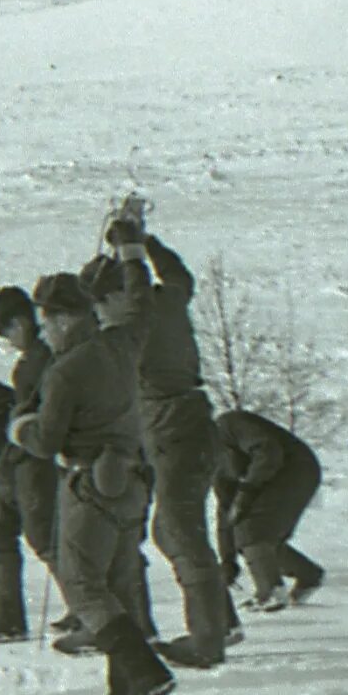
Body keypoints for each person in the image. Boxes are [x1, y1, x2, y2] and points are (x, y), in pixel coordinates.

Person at [12, 272, 174, 695]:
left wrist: (20, 427)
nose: (45, 333)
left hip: (88, 485)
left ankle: (144, 672)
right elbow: (142, 308)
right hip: (132, 482)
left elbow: (45, 443)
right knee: (120, 582)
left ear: (63, 320)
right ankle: (125, 690)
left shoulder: (64, 371)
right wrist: (131, 251)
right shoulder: (120, 344)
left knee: (82, 585)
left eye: (47, 324)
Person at [102, 212, 234, 668]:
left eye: (106, 303)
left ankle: (208, 640)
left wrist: (131, 252)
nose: (101, 315)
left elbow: (140, 288)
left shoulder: (139, 319)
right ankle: (221, 621)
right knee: (174, 529)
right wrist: (146, 242)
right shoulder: (171, 301)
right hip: (189, 425)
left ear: (123, 296)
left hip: (175, 428)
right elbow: (178, 275)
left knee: (179, 530)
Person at [0, 285, 57, 643]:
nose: (7, 340)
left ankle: (94, 613)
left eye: (6, 331)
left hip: (34, 462)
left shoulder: (44, 358)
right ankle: (6, 617)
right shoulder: (33, 359)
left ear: (21, 321)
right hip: (15, 460)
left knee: (44, 537)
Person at [212, 408, 326, 610]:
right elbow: (227, 512)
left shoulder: (229, 424)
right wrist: (228, 560)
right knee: (251, 535)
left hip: (297, 467)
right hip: (270, 477)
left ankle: (270, 592)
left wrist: (248, 488)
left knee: (253, 531)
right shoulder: (215, 464)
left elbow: (268, 450)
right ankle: (308, 574)